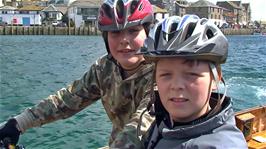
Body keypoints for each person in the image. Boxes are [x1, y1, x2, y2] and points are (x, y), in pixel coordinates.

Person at [0, 0, 155, 148]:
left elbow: (139, 129)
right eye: (115, 32)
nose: (124, 40)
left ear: (147, 33)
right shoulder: (104, 68)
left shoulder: (162, 74)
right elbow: (68, 99)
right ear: (106, 38)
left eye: (133, 30)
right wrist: (19, 123)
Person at [138, 15, 248, 148]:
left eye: (191, 74)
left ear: (215, 78)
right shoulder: (164, 122)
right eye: (166, 74)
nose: (176, 85)